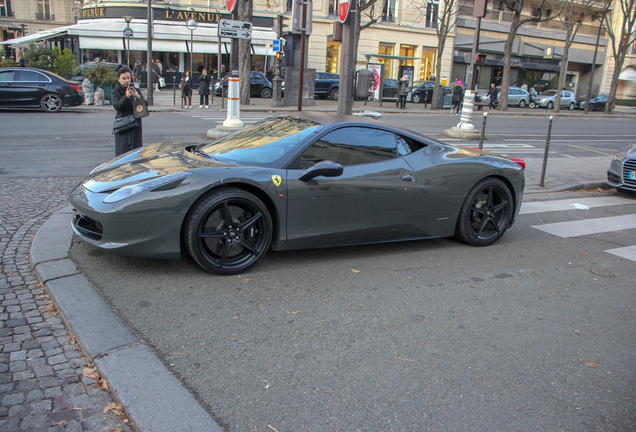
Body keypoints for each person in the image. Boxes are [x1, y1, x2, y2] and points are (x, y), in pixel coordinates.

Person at [112, 66, 144, 156]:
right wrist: (126, 97)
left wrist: (138, 97)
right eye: (124, 78)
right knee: (123, 155)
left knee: (135, 154)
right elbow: (118, 107)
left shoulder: (135, 90)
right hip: (123, 126)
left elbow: (144, 106)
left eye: (128, 78)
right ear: (119, 79)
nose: (126, 80)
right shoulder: (116, 92)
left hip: (135, 126)